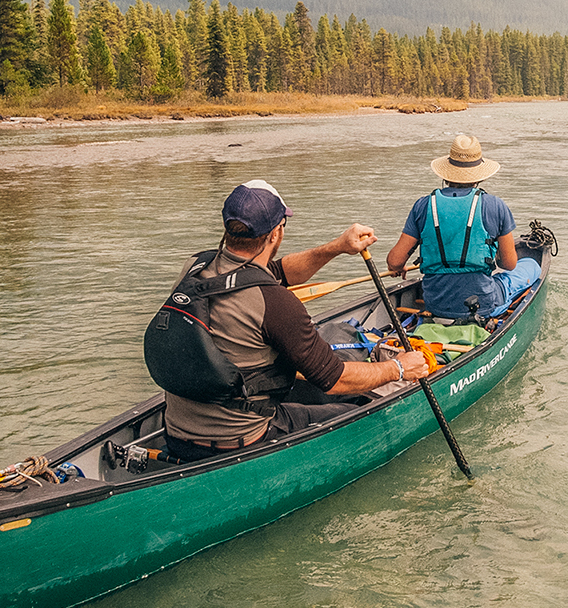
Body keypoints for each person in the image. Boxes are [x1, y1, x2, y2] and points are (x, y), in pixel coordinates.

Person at [147, 180, 429, 462]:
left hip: (177, 431)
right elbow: (334, 379)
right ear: (275, 234)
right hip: (244, 439)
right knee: (356, 409)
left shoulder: (196, 267)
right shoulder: (275, 303)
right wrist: (398, 368)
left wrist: (338, 247)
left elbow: (279, 270)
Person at [386, 135, 541, 321]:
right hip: (482, 304)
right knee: (531, 265)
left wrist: (399, 266)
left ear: (446, 173)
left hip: (435, 304)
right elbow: (508, 264)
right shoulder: (495, 205)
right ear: (479, 175)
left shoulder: (423, 205)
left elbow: (394, 261)